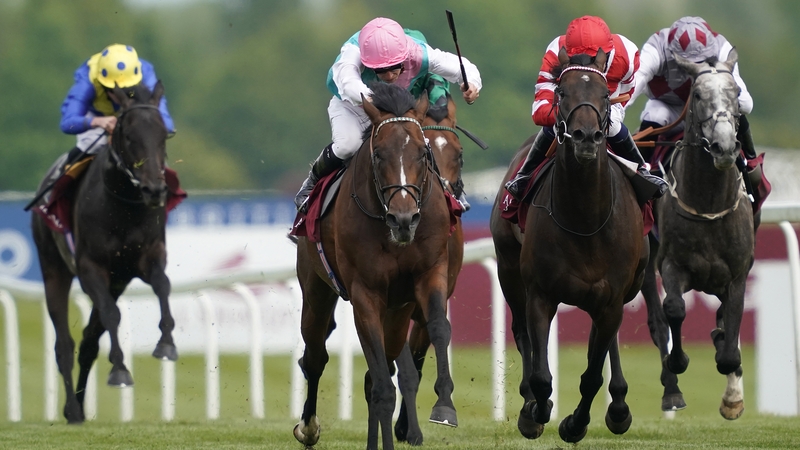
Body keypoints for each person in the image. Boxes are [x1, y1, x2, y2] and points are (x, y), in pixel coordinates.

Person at [294, 17, 482, 212]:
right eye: (381, 70)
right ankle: (311, 183)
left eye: (395, 67)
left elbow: (462, 66)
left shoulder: (419, 53)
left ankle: (450, 191)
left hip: (394, 109)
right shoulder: (352, 53)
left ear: (404, 56)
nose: (390, 76)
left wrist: (472, 84)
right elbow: (349, 85)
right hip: (352, 106)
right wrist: (382, 103)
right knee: (347, 146)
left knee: (419, 146)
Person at [505, 15, 668, 201]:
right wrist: (571, 113)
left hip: (607, 97)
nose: (587, 63)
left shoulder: (627, 55)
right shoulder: (555, 52)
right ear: (569, 52)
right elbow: (539, 110)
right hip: (568, 99)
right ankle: (524, 175)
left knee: (612, 124)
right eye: (580, 58)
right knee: (554, 125)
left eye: (593, 58)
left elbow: (628, 90)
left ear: (607, 52)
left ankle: (641, 170)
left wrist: (601, 110)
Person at [628, 16, 756, 166]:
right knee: (655, 113)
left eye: (700, 60)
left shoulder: (722, 48)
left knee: (737, 109)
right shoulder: (656, 48)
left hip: (709, 108)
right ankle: (640, 168)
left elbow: (746, 104)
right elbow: (634, 83)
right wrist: (615, 113)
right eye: (688, 62)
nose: (694, 68)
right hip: (668, 108)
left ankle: (751, 164)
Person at [58, 43, 175, 171]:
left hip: (134, 118)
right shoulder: (87, 81)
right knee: (92, 145)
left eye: (129, 91)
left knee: (153, 155)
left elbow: (167, 125)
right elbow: (67, 123)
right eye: (119, 93)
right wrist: (97, 122)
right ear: (107, 88)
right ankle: (57, 185)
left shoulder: (145, 73)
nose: (124, 98)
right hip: (97, 115)